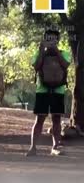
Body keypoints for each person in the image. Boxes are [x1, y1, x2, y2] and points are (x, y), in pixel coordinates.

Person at [27, 29, 72, 157]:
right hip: (42, 90)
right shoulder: (39, 53)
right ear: (44, 39)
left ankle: (55, 147)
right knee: (39, 119)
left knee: (56, 119)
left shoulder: (65, 53)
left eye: (54, 39)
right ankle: (33, 147)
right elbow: (36, 66)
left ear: (58, 41)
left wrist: (57, 51)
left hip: (58, 90)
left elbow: (65, 65)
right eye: (48, 39)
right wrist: (42, 51)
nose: (51, 42)